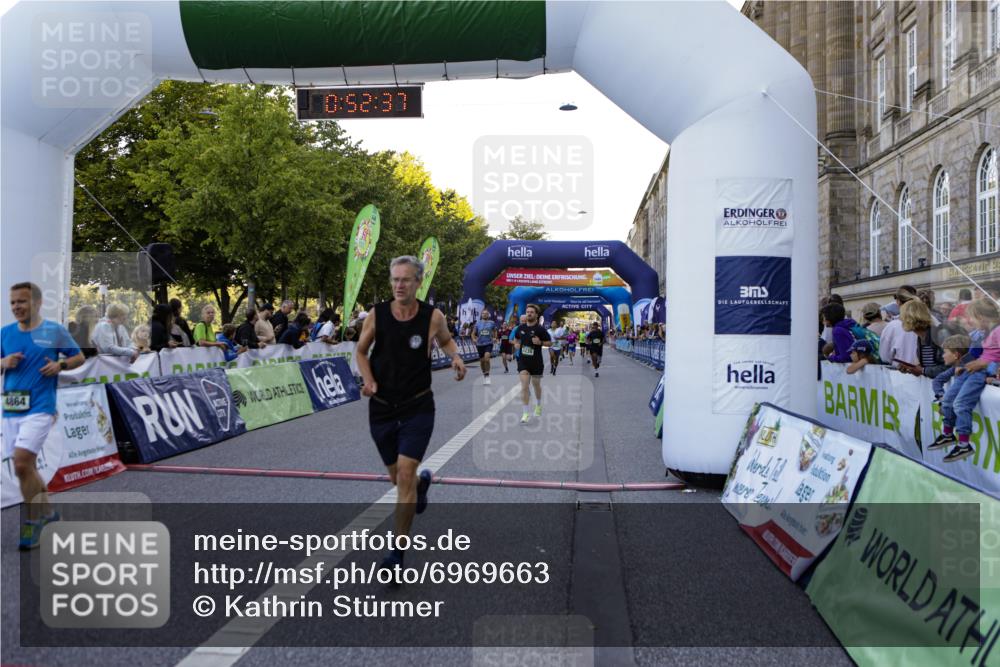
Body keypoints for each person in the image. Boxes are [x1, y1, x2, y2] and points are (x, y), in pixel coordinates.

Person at [355, 256, 466, 574]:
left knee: (403, 475)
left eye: (405, 279)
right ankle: (420, 485)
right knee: (398, 477)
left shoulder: (433, 317)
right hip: (382, 407)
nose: (399, 285)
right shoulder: (377, 314)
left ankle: (396, 554)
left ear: (418, 282)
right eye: (395, 279)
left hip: (417, 406)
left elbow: (446, 341)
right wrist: (369, 380)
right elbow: (361, 351)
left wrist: (456, 357)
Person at [2, 282, 85, 549]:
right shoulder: (5, 333)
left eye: (22, 301)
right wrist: (3, 362)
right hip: (11, 409)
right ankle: (48, 514)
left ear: (37, 303)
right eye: (13, 302)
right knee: (28, 467)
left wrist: (60, 364)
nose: (16, 307)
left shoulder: (53, 331)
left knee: (21, 465)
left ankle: (33, 522)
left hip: (41, 407)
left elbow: (79, 357)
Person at [931, 299, 1000, 463]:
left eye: (972, 318)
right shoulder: (985, 333)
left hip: (979, 372)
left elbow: (992, 359)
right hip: (973, 369)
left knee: (960, 404)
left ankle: (963, 443)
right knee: (948, 400)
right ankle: (948, 433)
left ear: (981, 317)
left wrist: (988, 368)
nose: (970, 322)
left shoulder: (997, 331)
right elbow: (977, 353)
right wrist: (964, 364)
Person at [513, 304, 551, 422]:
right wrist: (516, 344)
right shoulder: (520, 328)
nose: (529, 313)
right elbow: (516, 339)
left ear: (536, 315)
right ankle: (525, 413)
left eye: (531, 312)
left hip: (536, 362)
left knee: (536, 385)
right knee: (524, 386)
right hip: (523, 361)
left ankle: (538, 405)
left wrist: (540, 342)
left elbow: (550, 343)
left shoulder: (540, 329)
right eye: (528, 312)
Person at [896, 299, 947, 378]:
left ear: (909, 319)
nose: (901, 320)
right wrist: (912, 368)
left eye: (902, 317)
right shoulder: (921, 338)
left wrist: (923, 371)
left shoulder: (939, 335)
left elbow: (950, 367)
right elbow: (929, 366)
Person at [879, 287, 919, 367]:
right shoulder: (929, 320)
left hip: (900, 371)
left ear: (898, 302)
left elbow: (885, 356)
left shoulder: (893, 326)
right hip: (924, 371)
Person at [932, 334, 971, 402]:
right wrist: (941, 395)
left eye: (945, 352)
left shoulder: (969, 369)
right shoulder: (954, 368)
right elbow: (937, 380)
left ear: (956, 355)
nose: (943, 356)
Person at [473, 309, 497, 385]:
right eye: (483, 313)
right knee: (482, 361)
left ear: (488, 315)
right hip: (480, 344)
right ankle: (484, 374)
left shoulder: (492, 323)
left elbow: (495, 331)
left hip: (488, 343)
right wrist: (474, 339)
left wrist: (495, 337)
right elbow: (473, 333)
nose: (484, 314)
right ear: (481, 315)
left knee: (487, 358)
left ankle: (487, 376)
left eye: (486, 313)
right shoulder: (477, 323)